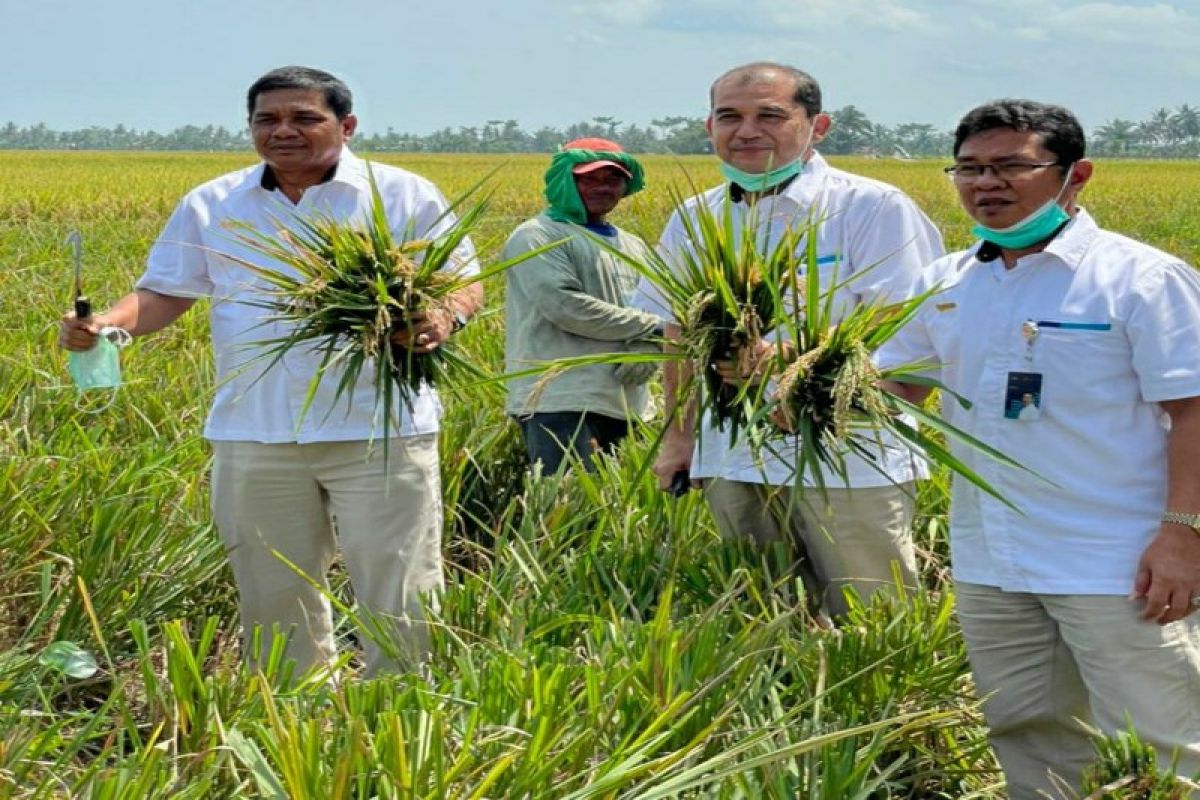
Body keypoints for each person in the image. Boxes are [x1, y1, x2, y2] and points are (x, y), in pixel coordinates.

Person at [58, 66, 482, 678]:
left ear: (347, 124)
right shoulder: (213, 203)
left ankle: (401, 713)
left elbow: (460, 283)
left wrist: (439, 319)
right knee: (273, 593)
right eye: (267, 120)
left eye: (304, 118)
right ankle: (296, 714)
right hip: (254, 429)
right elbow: (165, 291)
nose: (283, 131)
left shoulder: (401, 196)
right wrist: (107, 327)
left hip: (380, 427)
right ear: (251, 127)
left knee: (401, 590)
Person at [878, 99, 1200, 796]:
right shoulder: (946, 282)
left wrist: (1182, 535)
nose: (985, 183)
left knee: (1161, 740)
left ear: (1074, 175)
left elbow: (1194, 409)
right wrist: (784, 374)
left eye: (1010, 166)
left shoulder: (1140, 279)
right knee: (1027, 729)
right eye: (968, 168)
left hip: (1115, 558)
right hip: (992, 555)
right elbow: (891, 389)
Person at [632, 62, 944, 618]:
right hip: (733, 454)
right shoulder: (695, 217)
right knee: (763, 611)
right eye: (730, 116)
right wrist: (680, 439)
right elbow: (677, 333)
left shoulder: (871, 207)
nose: (747, 130)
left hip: (850, 454)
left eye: (770, 115)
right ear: (709, 128)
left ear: (817, 126)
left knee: (872, 611)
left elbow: (905, 321)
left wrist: (794, 354)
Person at [503, 138, 662, 473]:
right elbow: (566, 306)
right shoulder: (538, 236)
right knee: (570, 509)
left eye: (613, 180)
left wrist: (651, 344)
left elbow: (660, 306)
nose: (602, 188)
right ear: (565, 181)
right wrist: (654, 327)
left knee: (621, 513)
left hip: (627, 402)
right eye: (588, 179)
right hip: (560, 400)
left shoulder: (632, 245)